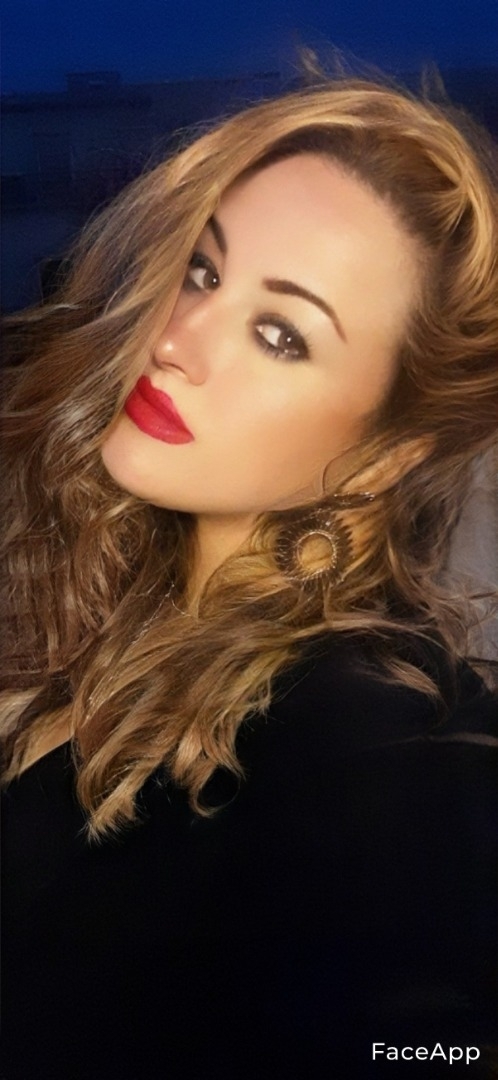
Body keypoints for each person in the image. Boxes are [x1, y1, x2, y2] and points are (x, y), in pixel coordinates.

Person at [1, 73, 498, 1080]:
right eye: (201, 273)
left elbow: (430, 1033)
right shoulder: (108, 586)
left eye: (281, 334)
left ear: (389, 451)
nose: (172, 342)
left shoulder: (371, 733)